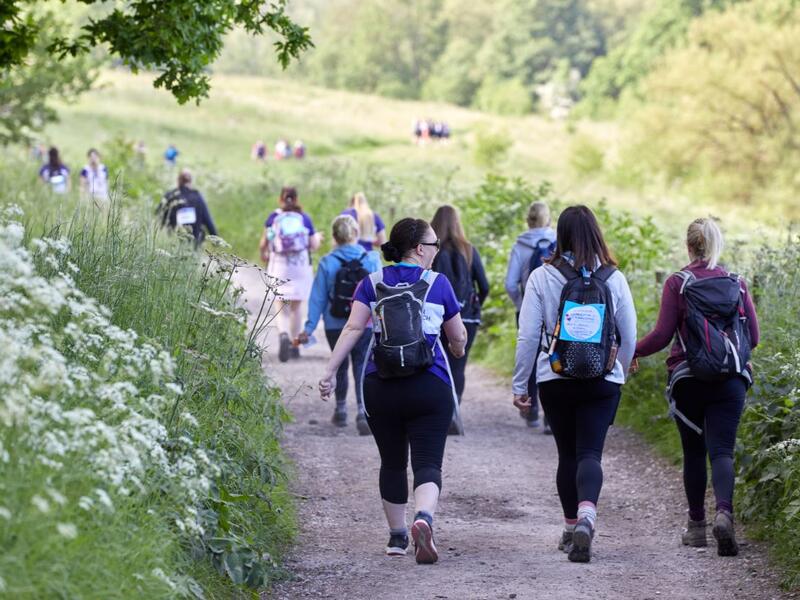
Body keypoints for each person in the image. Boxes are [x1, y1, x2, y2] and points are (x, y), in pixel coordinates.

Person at [318, 218, 467, 564]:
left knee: (392, 462)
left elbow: (354, 328)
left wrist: (329, 371)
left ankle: (398, 537)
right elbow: (457, 337)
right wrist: (457, 351)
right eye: (433, 246)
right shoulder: (438, 283)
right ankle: (424, 518)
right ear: (419, 249)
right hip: (430, 384)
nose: (435, 251)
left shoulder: (371, 282)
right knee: (428, 461)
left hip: (380, 384)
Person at [512, 205, 636, 564]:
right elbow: (628, 336)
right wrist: (619, 373)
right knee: (590, 454)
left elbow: (527, 336)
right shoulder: (614, 277)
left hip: (556, 377)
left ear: (560, 235)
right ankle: (587, 516)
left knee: (567, 454)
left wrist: (522, 385)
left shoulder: (542, 276)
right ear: (596, 233)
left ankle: (570, 529)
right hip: (602, 380)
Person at [634, 218, 759, 557]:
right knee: (722, 451)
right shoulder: (738, 283)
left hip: (689, 378)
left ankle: (697, 527)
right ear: (718, 244)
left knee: (694, 452)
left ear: (688, 246)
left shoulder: (679, 282)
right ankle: (725, 514)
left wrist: (630, 350)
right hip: (731, 379)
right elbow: (754, 338)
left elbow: (661, 336)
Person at [297, 215, 381, 434]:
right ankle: (363, 412)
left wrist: (309, 327)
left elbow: (318, 298)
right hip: (365, 323)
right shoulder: (371, 259)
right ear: (357, 235)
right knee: (362, 365)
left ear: (334, 237)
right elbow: (380, 294)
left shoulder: (327, 262)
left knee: (340, 365)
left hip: (335, 324)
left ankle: (341, 410)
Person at [430, 204, 489, 435]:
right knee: (458, 365)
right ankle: (453, 412)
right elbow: (484, 286)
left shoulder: (431, 252)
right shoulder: (469, 250)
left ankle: (438, 412)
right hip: (467, 318)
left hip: (436, 318)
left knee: (435, 363)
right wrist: (475, 306)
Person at [505, 201, 557, 431]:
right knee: (553, 355)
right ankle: (551, 417)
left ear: (528, 219)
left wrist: (521, 304)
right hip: (556, 311)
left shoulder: (520, 244)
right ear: (548, 218)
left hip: (528, 308)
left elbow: (510, 283)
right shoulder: (560, 240)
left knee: (531, 356)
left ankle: (532, 411)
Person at [260, 187, 321, 362]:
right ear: (296, 199)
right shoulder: (304, 218)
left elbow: (264, 242)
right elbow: (313, 245)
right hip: (300, 266)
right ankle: (294, 346)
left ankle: (283, 335)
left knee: (281, 307)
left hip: (279, 266)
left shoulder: (273, 217)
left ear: (281, 199)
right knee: (296, 309)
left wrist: (263, 254)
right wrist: (317, 238)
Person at [158, 168, 218, 246]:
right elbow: (207, 219)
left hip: (174, 241)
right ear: (190, 181)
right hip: (194, 242)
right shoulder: (198, 197)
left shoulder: (171, 195)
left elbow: (159, 214)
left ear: (178, 180)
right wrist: (215, 239)